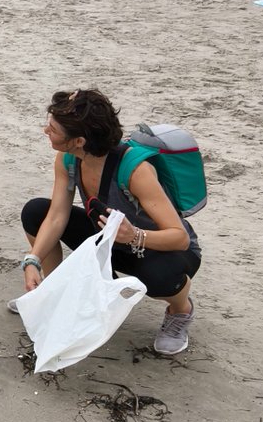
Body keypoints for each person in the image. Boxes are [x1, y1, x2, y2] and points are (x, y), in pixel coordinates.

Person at [18, 89, 200, 355]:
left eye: (53, 129)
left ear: (79, 141)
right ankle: (55, 297)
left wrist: (134, 236)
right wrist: (33, 260)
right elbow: (57, 215)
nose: (46, 131)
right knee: (36, 212)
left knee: (159, 277)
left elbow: (179, 237)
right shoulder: (68, 157)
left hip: (161, 249)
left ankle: (180, 310)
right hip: (110, 240)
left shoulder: (136, 170)